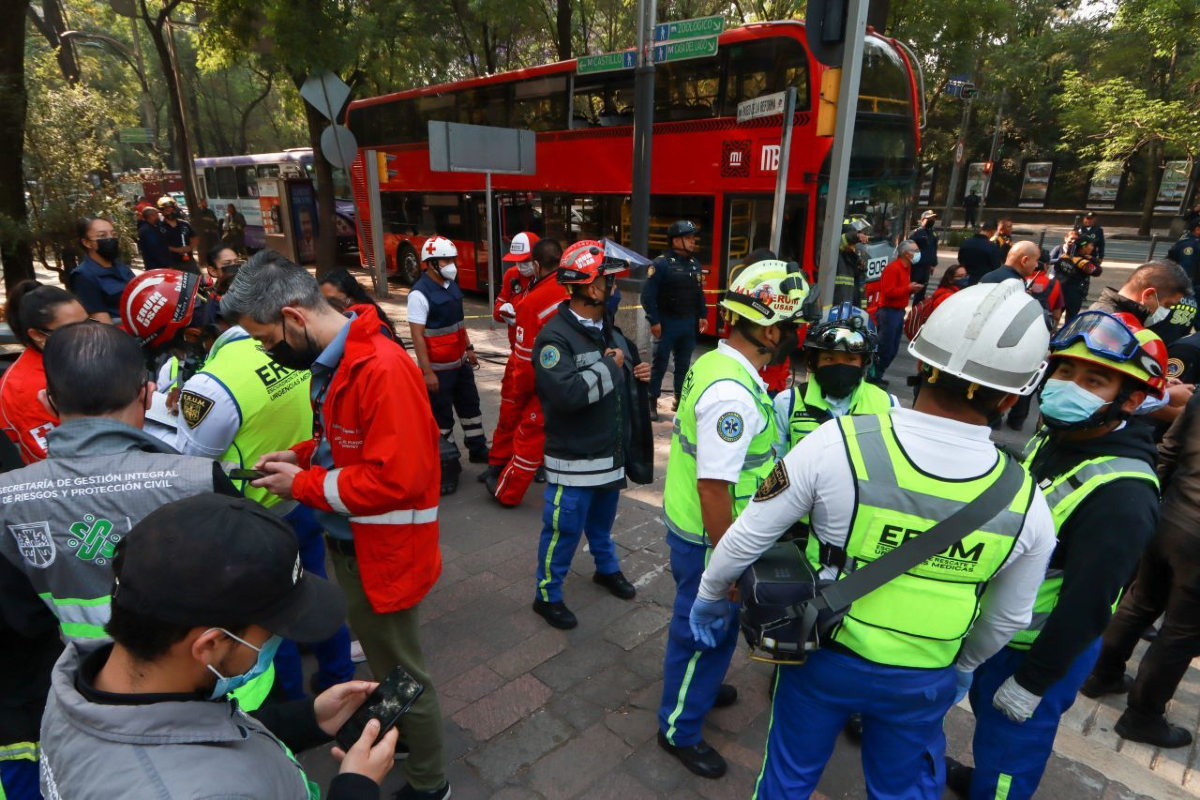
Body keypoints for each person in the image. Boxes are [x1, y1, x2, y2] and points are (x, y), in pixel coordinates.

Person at [688, 281, 1058, 798]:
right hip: (925, 676)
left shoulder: (836, 444)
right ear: (1015, 394)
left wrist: (708, 597)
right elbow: (1009, 618)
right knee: (902, 788)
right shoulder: (1026, 501)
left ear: (919, 362)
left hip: (825, 654)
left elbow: (748, 535)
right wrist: (965, 668)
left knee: (788, 778)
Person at [222, 251, 450, 800]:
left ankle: (430, 781)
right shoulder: (343, 361)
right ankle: (407, 743)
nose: (266, 351)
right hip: (366, 549)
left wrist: (301, 484)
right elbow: (343, 441)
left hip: (384, 553)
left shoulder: (379, 367)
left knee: (402, 672)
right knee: (390, 662)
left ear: (294, 318)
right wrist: (303, 455)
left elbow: (395, 479)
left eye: (266, 339)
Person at [37, 494, 399, 800]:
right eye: (271, 631)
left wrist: (310, 719)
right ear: (209, 645)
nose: (276, 642)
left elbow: (198, 733)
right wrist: (356, 787)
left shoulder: (80, 690)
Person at [949, 311, 1166, 797]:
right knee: (993, 732)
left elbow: (1089, 604)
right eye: (1064, 371)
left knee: (1011, 753)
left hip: (1040, 650)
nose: (1069, 385)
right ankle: (984, 779)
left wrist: (1033, 681)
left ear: (1130, 400)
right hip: (1003, 633)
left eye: (1095, 380)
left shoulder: (1123, 493)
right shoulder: (1063, 436)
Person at [123, 267, 355, 702]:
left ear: (191, 334)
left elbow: (191, 464)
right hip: (302, 496)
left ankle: (291, 702)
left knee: (266, 622)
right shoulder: (285, 346)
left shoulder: (210, 384)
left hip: (256, 517)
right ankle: (339, 678)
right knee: (314, 588)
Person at [657, 260, 811, 779]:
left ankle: (699, 688)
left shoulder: (715, 363)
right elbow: (714, 487)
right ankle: (678, 726)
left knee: (712, 635)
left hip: (698, 530)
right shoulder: (733, 396)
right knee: (703, 632)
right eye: (793, 326)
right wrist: (726, 568)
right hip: (711, 540)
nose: (795, 336)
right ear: (769, 329)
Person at [0, 321, 240, 644]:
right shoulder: (200, 478)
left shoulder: (8, 498)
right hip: (201, 669)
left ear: (48, 402)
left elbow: (23, 615)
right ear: (146, 392)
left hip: (86, 678)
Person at [531, 240, 648, 630]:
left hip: (607, 455)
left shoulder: (608, 331)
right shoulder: (554, 338)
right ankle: (547, 595)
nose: (615, 288)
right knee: (563, 530)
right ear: (594, 288)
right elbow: (568, 396)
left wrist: (636, 372)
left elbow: (621, 367)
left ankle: (606, 568)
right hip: (573, 461)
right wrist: (613, 368)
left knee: (601, 525)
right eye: (610, 281)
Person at [1081, 388, 1200, 748]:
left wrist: (1153, 504)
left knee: (1140, 601)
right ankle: (1142, 715)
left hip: (1170, 516)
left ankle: (1101, 673)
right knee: (1181, 632)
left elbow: (1170, 449)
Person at [485, 238, 566, 505]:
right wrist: (505, 312)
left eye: (524, 262)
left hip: (532, 368)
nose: (520, 267)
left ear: (536, 262)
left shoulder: (537, 299)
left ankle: (507, 488)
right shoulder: (571, 286)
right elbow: (499, 307)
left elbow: (525, 361)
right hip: (549, 367)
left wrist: (520, 389)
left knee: (527, 429)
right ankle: (499, 463)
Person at [408, 236, 488, 494]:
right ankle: (448, 463)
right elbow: (417, 335)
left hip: (460, 363)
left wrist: (469, 348)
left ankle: (477, 451)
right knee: (442, 419)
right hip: (439, 371)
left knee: (470, 408)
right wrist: (427, 371)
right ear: (430, 264)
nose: (451, 264)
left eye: (452, 259)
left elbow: (459, 323)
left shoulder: (451, 285)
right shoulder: (419, 294)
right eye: (446, 260)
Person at [775, 303, 896, 456]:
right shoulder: (787, 403)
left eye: (851, 359)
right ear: (814, 361)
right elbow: (773, 462)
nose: (840, 367)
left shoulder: (889, 405)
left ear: (864, 362)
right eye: (829, 358)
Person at [0, 282, 88, 463]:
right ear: (38, 336)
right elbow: (60, 461)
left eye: (88, 323)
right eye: (73, 329)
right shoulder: (29, 390)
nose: (89, 333)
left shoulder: (68, 356)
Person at [641, 220, 708, 422]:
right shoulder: (661, 264)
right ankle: (651, 400)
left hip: (688, 323)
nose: (693, 241)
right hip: (666, 322)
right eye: (688, 237)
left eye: (693, 237)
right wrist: (654, 321)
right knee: (659, 364)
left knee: (683, 364)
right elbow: (648, 295)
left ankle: (680, 399)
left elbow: (699, 294)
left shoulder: (695, 264)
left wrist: (703, 315)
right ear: (676, 240)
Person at [872, 239, 923, 383]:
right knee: (885, 348)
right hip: (888, 313)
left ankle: (878, 374)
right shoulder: (893, 268)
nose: (918, 254)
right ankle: (874, 375)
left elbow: (898, 290)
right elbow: (888, 292)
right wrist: (909, 288)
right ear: (907, 254)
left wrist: (910, 289)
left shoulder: (906, 268)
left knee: (893, 348)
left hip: (898, 312)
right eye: (916, 251)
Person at [69, 216, 135, 325]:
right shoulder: (83, 276)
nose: (111, 239)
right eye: (102, 235)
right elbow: (102, 323)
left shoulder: (122, 268)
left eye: (113, 234)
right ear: (87, 243)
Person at [1088, 259, 1191, 328]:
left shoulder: (1115, 316)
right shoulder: (1112, 325)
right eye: (1167, 305)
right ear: (1148, 295)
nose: (1167, 312)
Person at [319, 269, 397, 337]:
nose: (326, 308)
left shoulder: (375, 329)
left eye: (332, 301)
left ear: (351, 300)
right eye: (322, 302)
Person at [494, 231, 540, 343]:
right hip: (516, 345)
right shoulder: (511, 274)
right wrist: (502, 310)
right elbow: (496, 312)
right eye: (517, 260)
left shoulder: (547, 278)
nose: (521, 265)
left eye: (525, 260)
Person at [1055, 234, 1101, 318]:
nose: (1093, 247)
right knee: (1070, 319)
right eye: (1091, 245)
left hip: (1060, 291)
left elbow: (1056, 269)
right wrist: (1093, 260)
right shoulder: (1083, 262)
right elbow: (1097, 271)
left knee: (1055, 316)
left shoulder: (1064, 257)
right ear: (1084, 247)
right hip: (1074, 294)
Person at [156, 196, 199, 273]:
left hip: (189, 262)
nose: (171, 212)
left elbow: (195, 237)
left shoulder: (184, 224)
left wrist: (190, 247)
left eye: (172, 209)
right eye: (167, 210)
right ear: (162, 211)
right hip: (171, 264)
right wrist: (177, 250)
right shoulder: (159, 228)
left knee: (198, 282)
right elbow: (160, 245)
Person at [957, 220, 1002, 284]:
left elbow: (960, 259)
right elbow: (996, 267)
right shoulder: (992, 247)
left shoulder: (966, 242)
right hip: (982, 281)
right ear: (993, 231)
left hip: (965, 279)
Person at [909, 210, 939, 303]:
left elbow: (934, 250)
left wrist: (933, 264)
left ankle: (917, 312)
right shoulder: (916, 233)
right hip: (916, 266)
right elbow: (908, 249)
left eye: (933, 218)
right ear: (923, 219)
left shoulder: (934, 234)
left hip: (927, 267)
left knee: (921, 293)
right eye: (929, 218)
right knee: (909, 289)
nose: (932, 220)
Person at [1167, 213, 1200, 287]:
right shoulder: (1189, 244)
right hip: (1190, 286)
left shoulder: (1194, 242)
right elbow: (1186, 268)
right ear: (1197, 230)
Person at [834, 231, 864, 306]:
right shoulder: (839, 255)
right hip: (839, 306)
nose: (855, 247)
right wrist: (857, 236)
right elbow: (843, 241)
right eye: (853, 243)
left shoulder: (854, 260)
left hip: (852, 306)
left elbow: (860, 290)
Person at [195, 198, 220, 266]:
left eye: (206, 202)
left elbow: (215, 222)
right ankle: (205, 262)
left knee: (213, 248)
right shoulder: (198, 212)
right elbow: (197, 225)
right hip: (204, 236)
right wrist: (203, 230)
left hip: (212, 235)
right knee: (205, 249)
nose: (206, 203)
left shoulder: (210, 212)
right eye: (204, 202)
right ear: (200, 203)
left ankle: (213, 261)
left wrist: (215, 228)